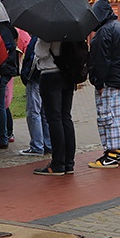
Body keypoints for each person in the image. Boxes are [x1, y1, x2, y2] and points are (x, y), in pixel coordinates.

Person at [87, 0, 120, 169]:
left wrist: (97, 82)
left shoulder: (104, 32)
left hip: (109, 82)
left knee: (108, 118)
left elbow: (100, 60)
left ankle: (110, 155)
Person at [33, 39, 76, 176]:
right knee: (66, 117)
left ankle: (58, 163)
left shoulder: (48, 30)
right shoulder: (71, 28)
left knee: (54, 119)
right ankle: (69, 163)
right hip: (68, 74)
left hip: (50, 75)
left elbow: (41, 52)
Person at [18, 34, 50, 156]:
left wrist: (27, 76)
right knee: (44, 113)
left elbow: (33, 59)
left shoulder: (37, 37)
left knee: (34, 112)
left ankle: (37, 145)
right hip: (47, 76)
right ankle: (47, 143)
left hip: (36, 78)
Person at [0, 22, 19, 149]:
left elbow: (3, 50)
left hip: (2, 71)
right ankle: (5, 133)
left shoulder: (1, 30)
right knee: (0, 105)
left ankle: (2, 137)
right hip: (6, 69)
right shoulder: (8, 28)